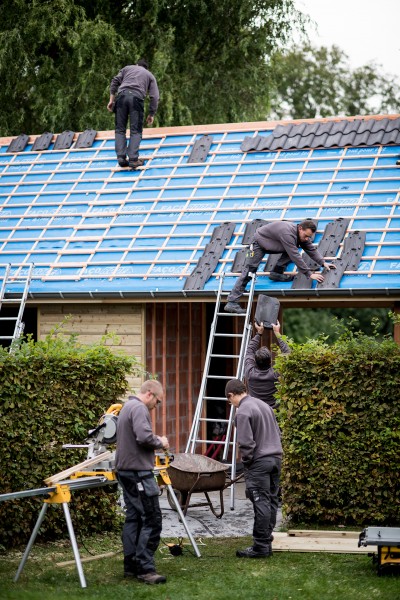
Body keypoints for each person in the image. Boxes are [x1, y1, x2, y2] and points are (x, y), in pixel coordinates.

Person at [115, 379, 169, 585]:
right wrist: (161, 442)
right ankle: (145, 569)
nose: (157, 405)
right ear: (149, 393)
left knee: (134, 517)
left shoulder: (127, 407)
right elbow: (144, 437)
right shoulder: (138, 408)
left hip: (125, 471)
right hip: (138, 473)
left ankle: (130, 565)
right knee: (152, 519)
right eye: (158, 401)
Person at [225, 219, 336, 314]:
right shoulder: (287, 234)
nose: (307, 239)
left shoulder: (300, 235)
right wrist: (309, 274)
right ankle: (232, 302)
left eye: (309, 237)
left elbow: (311, 249)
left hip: (273, 242)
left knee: (293, 247)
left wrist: (323, 263)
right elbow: (295, 255)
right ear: (300, 228)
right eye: (306, 236)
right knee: (249, 271)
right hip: (258, 243)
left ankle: (276, 273)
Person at [225, 378, 282, 558]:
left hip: (259, 462)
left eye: (230, 401)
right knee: (271, 501)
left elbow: (246, 443)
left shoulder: (243, 411)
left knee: (261, 502)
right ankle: (266, 542)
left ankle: (260, 547)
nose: (231, 404)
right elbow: (278, 432)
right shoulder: (264, 406)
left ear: (231, 395)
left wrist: (247, 463)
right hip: (275, 459)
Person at [107, 59, 159, 169]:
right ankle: (133, 159)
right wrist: (151, 114)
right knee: (135, 130)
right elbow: (155, 96)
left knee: (120, 129)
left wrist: (111, 100)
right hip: (136, 99)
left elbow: (114, 81)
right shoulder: (149, 75)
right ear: (146, 68)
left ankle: (121, 158)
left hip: (121, 98)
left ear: (137, 64)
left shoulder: (127, 68)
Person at [244, 320, 290, 410]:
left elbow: (249, 350)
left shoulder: (250, 373)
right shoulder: (276, 374)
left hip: (256, 412)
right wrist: (277, 333)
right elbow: (288, 353)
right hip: (273, 414)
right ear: (270, 361)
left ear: (255, 362)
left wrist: (259, 333)